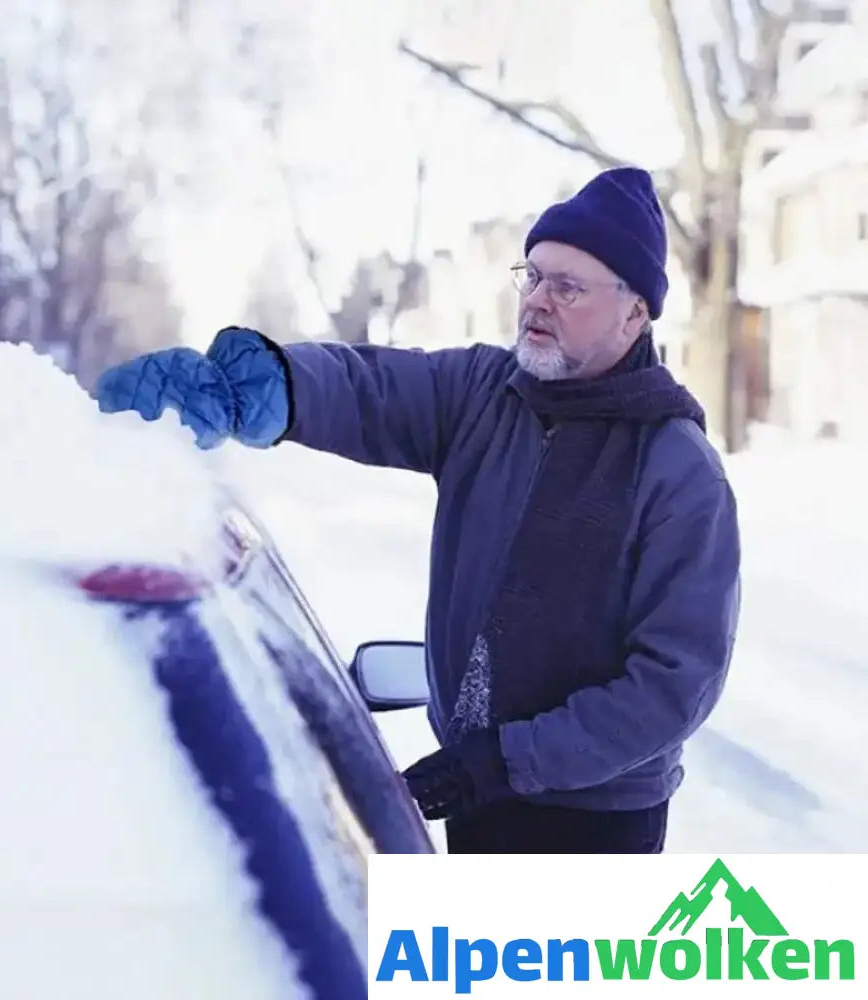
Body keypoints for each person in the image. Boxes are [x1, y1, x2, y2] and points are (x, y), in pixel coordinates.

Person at [95, 166, 741, 854]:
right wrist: (253, 387)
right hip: (479, 800)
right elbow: (366, 387)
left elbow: (673, 687)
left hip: (592, 825)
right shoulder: (484, 394)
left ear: (635, 311)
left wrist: (503, 760)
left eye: (569, 286)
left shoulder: (676, 470)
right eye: (534, 276)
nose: (538, 302)